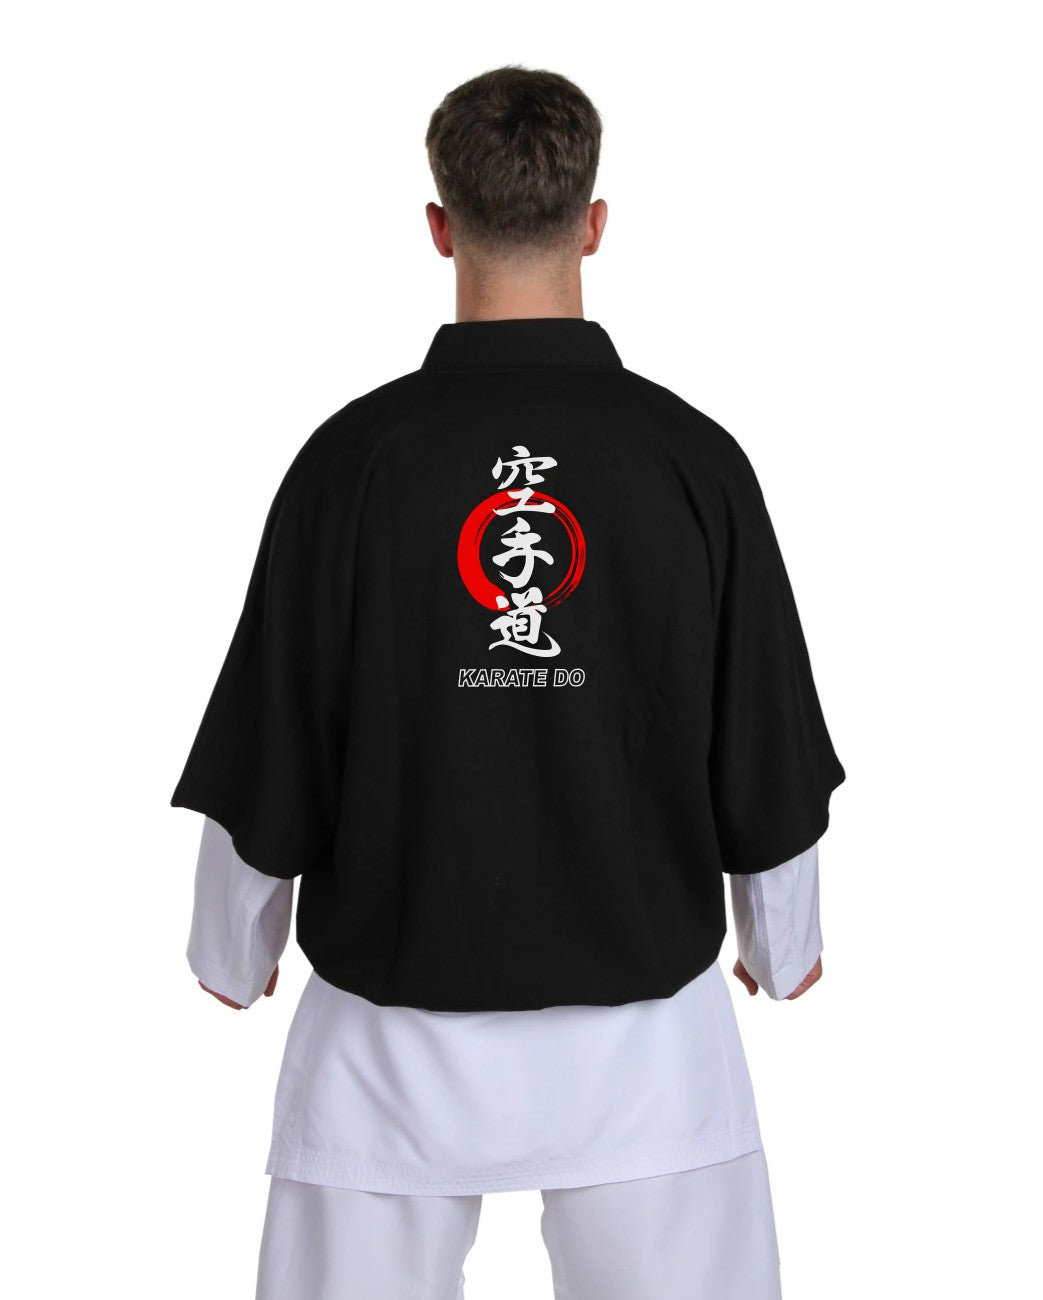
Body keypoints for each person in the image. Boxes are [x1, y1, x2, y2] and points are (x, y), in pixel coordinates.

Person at [172, 64, 845, 1299]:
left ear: (440, 227)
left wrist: (232, 946)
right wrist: (782, 937)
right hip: (645, 1053)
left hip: (388, 1041)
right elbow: (762, 734)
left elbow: (274, 737)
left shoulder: (350, 463)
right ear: (594, 223)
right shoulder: (691, 461)